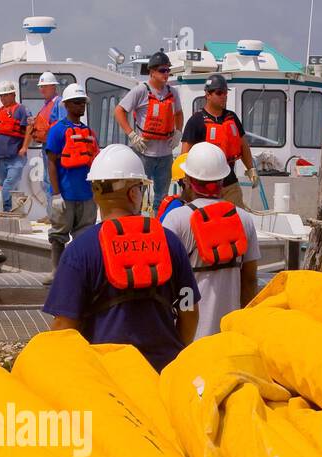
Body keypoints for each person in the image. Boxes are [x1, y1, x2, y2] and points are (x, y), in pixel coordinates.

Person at [44, 144, 199, 371]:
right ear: (134, 193)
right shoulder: (170, 242)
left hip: (106, 376)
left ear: (95, 193)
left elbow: (63, 327)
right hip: (163, 371)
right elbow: (189, 310)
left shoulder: (79, 251)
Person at [160, 142, 259, 339]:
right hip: (228, 338)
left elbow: (164, 284)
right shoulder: (244, 219)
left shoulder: (177, 219)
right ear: (222, 180)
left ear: (188, 179)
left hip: (189, 338)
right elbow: (249, 281)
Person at [44, 83, 99, 283]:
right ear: (67, 105)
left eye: (83, 102)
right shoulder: (57, 131)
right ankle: (56, 272)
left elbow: (95, 161)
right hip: (65, 194)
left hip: (86, 195)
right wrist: (56, 194)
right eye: (77, 102)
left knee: (84, 237)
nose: (81, 106)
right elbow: (51, 162)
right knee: (58, 235)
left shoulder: (89, 132)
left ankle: (82, 273)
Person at [115, 51, 184, 205]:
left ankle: (159, 225)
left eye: (168, 70)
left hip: (165, 155)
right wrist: (132, 135)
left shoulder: (173, 93)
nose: (166, 74)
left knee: (162, 199)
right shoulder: (140, 90)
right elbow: (119, 111)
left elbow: (179, 114)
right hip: (143, 153)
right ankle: (136, 225)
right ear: (152, 72)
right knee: (136, 197)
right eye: (162, 70)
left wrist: (178, 133)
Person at [180, 74, 257, 209]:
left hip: (229, 183)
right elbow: (184, 154)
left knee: (236, 219)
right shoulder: (196, 121)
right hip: (202, 187)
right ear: (208, 95)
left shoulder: (232, 118)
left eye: (225, 93)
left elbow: (243, 145)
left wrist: (251, 168)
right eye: (219, 93)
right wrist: (185, 181)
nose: (224, 96)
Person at [25, 71, 65, 221]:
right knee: (48, 181)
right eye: (41, 87)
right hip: (47, 148)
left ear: (53, 86)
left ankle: (56, 215)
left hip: (55, 150)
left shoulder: (59, 103)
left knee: (54, 180)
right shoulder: (47, 105)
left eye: (45, 86)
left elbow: (61, 125)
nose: (42, 89)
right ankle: (51, 214)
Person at [0, 81, 30, 211]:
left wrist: (25, 147)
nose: (3, 98)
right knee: (1, 184)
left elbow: (30, 127)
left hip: (15, 156)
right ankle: (5, 211)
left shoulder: (21, 109)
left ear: (13, 95)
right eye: (1, 96)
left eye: (6, 95)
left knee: (10, 182)